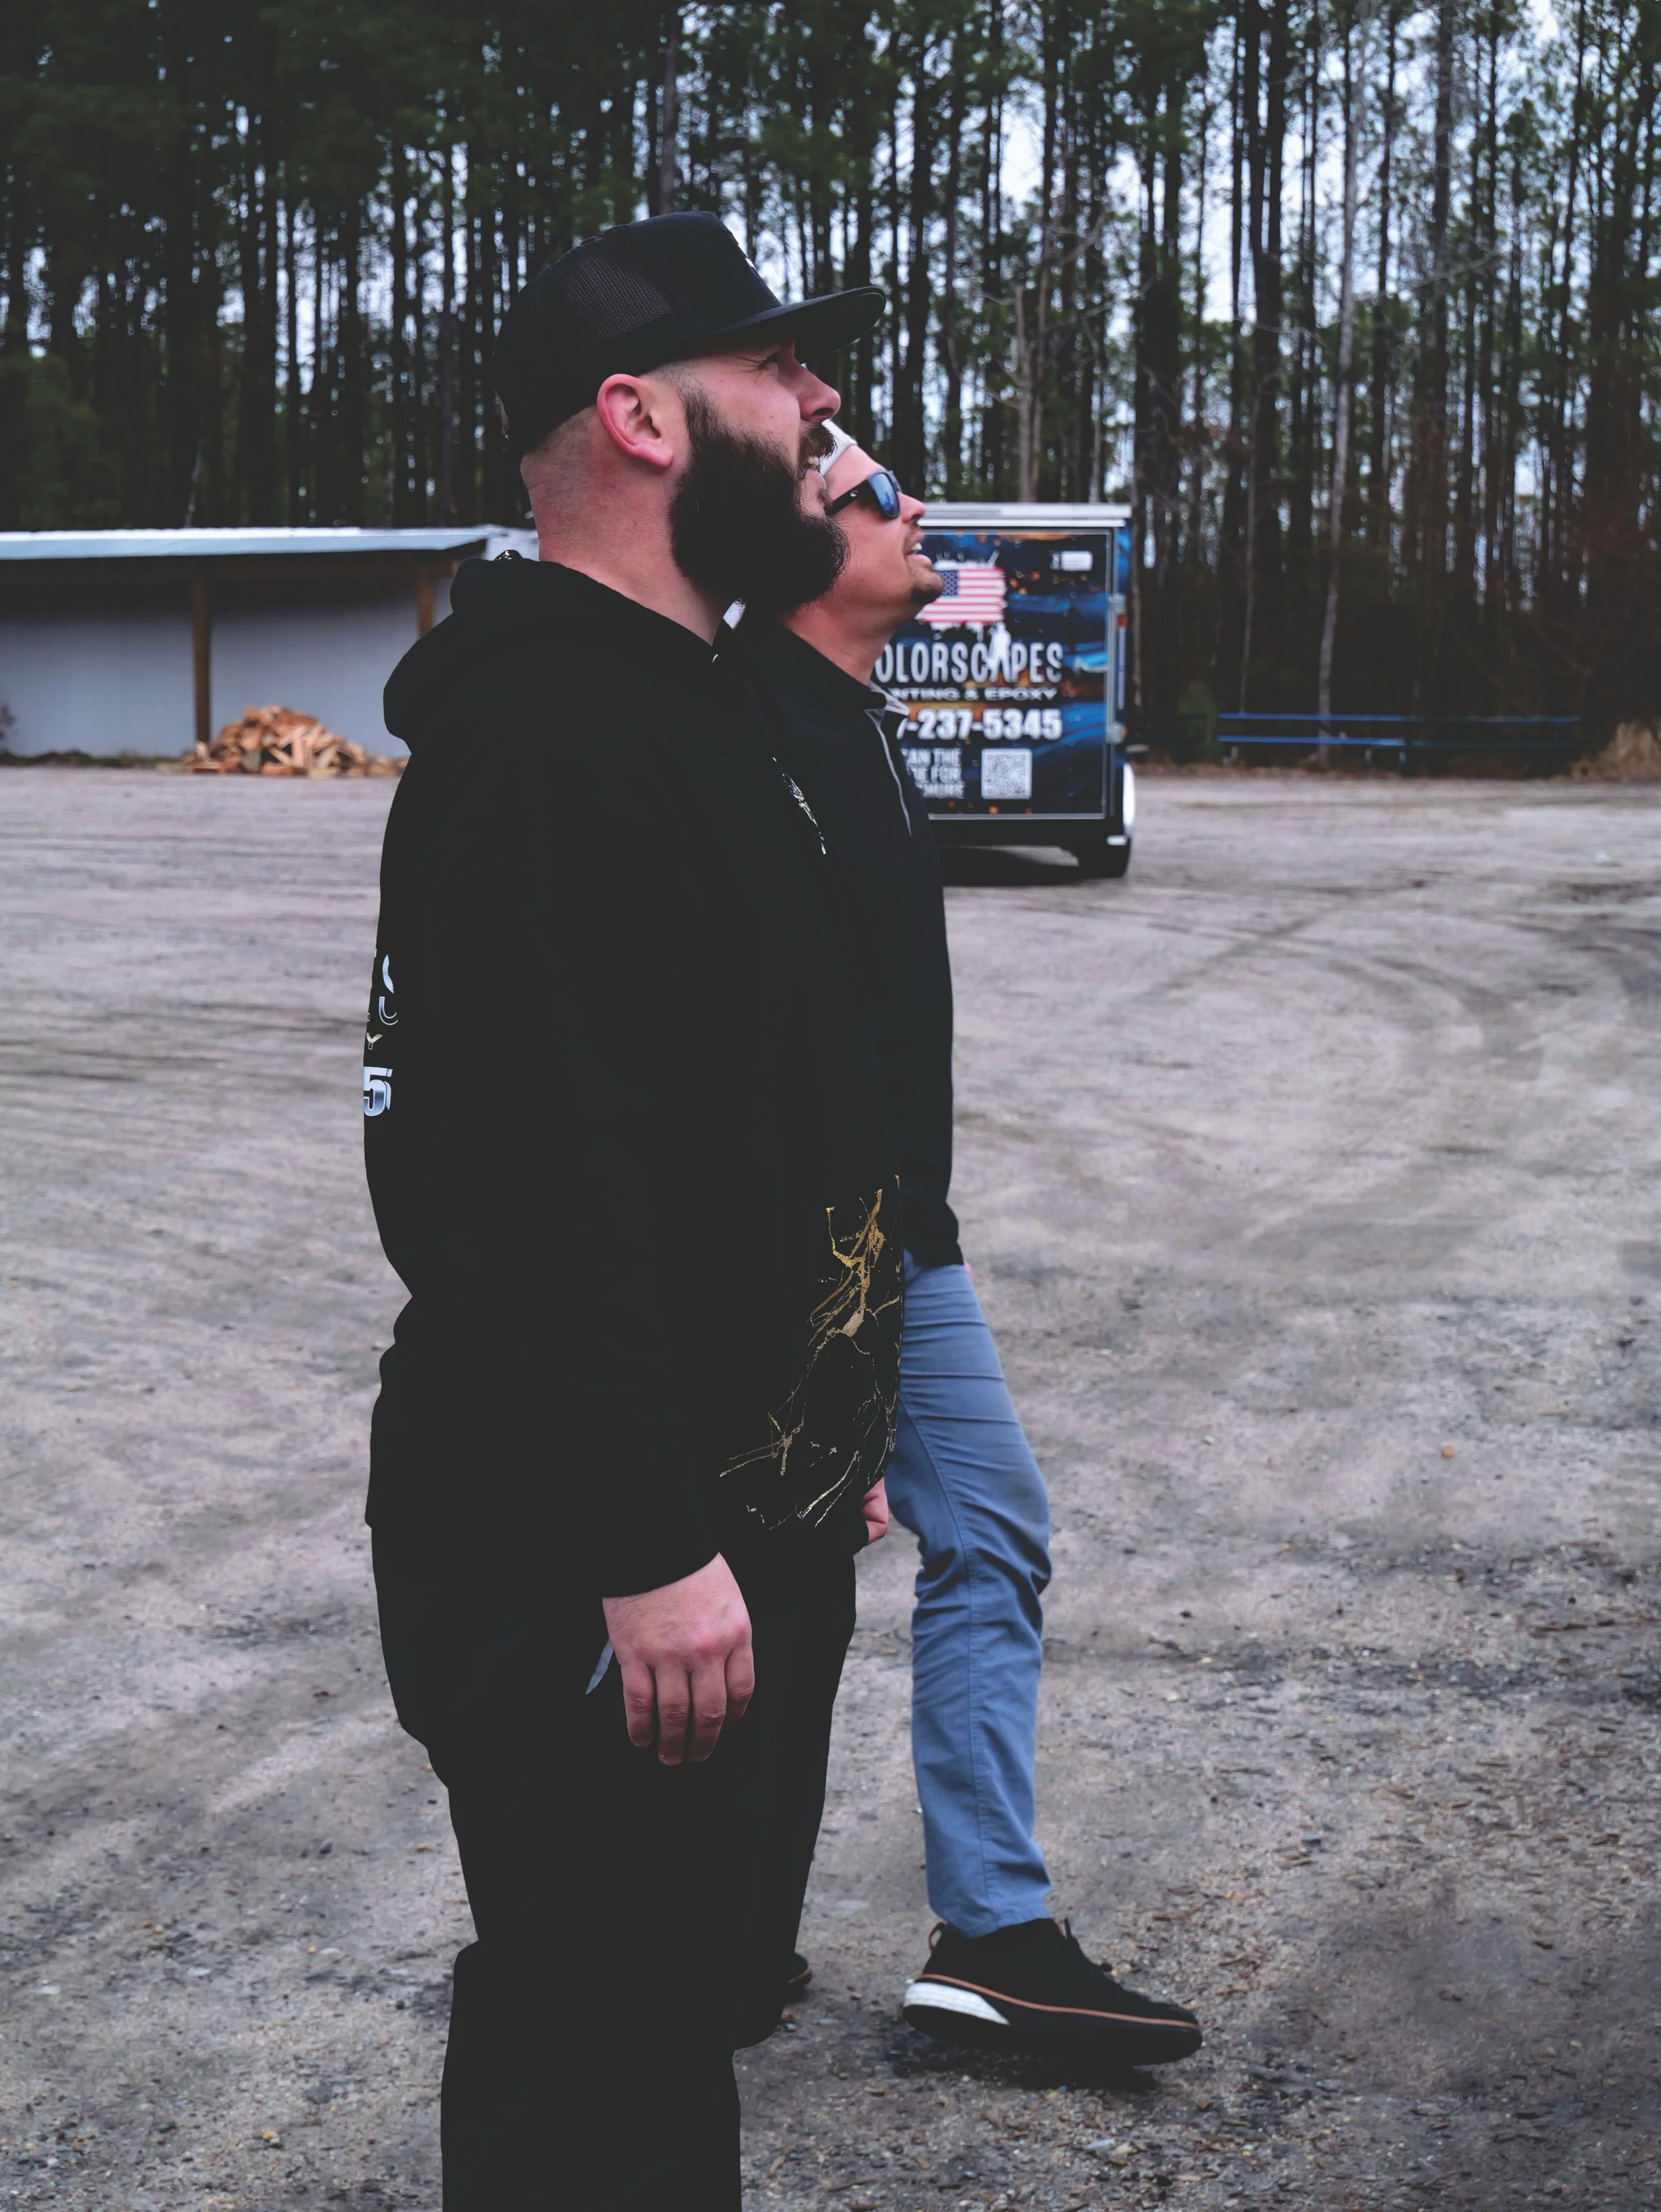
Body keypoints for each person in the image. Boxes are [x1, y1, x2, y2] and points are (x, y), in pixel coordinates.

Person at [362, 215, 902, 2210]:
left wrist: (817, 1424)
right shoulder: (547, 738)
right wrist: (649, 1541)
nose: (820, 401)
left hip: (723, 1509)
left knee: (672, 2014)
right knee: (596, 2050)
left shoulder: (689, 696)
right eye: (772, 368)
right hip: (586, 1553)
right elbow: (526, 1183)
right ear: (639, 418)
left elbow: (734, 1108)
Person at [737, 424, 1203, 2068]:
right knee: (750, 1583)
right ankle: (693, 1936)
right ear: (792, 546)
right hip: (801, 1250)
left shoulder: (858, 722)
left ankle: (988, 1936)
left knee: (985, 1529)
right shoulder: (745, 737)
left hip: (896, 1242)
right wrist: (825, 1334)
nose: (912, 505)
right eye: (869, 491)